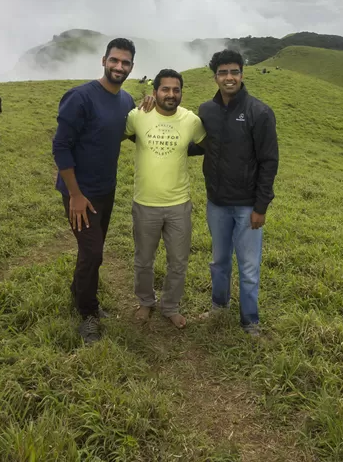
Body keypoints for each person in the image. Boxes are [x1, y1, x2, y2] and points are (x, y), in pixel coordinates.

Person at [52, 38, 137, 345]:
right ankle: (87, 313)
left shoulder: (126, 101)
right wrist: (74, 194)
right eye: (114, 60)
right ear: (103, 60)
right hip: (80, 193)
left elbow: (132, 130)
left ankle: (78, 293)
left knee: (92, 252)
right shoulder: (80, 97)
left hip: (106, 190)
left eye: (125, 63)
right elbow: (61, 146)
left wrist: (150, 108)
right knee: (93, 252)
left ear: (131, 67)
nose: (119, 66)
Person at [195, 49, 278, 336]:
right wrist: (152, 111)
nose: (228, 77)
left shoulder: (260, 112)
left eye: (234, 72)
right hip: (216, 203)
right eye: (222, 72)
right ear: (215, 77)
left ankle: (250, 321)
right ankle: (219, 306)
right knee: (218, 261)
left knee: (249, 267)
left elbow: (269, 162)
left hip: (247, 207)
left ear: (242, 74)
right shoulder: (206, 110)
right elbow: (193, 142)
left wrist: (261, 206)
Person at [124, 69, 205, 329]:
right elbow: (126, 134)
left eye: (176, 90)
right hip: (145, 203)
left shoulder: (191, 120)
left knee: (178, 261)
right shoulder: (138, 116)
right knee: (143, 260)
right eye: (165, 89)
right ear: (155, 91)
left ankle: (170, 306)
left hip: (179, 204)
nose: (171, 94)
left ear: (181, 92)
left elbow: (206, 144)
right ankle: (146, 302)